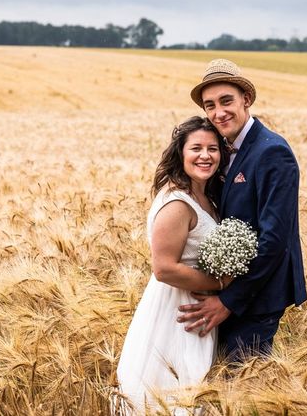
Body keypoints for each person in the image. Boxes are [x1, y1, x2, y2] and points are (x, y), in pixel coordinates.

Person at [177, 59, 307, 362]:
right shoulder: (222, 148)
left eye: (226, 101)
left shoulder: (272, 151)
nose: (218, 113)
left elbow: (275, 240)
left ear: (245, 100)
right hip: (229, 291)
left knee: (244, 388)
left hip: (257, 298)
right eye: (210, 106)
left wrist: (228, 301)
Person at [115, 116, 230, 413]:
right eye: (196, 148)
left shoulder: (204, 196)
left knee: (189, 391)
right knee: (172, 391)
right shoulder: (178, 202)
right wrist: (220, 285)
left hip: (196, 308)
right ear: (181, 153)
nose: (205, 156)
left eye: (213, 149)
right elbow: (163, 268)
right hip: (177, 312)